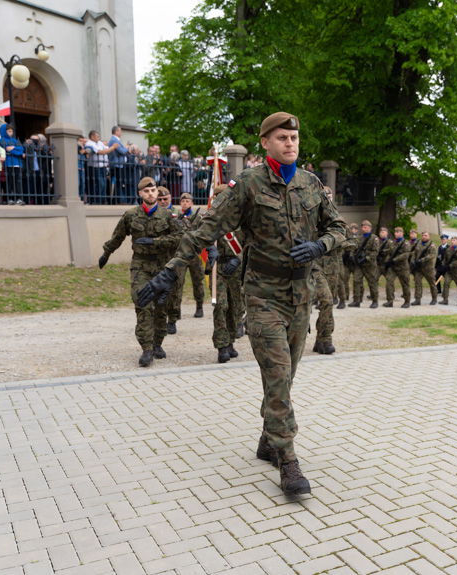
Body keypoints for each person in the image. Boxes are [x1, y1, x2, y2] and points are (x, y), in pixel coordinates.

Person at [135, 112, 346, 496]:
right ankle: (288, 459)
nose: (290, 144)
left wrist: (320, 244)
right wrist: (170, 271)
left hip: (300, 296)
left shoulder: (310, 184)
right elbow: (206, 228)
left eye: (294, 138)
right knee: (279, 375)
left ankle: (269, 438)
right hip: (263, 293)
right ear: (265, 142)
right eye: (282, 137)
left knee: (286, 375)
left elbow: (338, 228)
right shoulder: (248, 184)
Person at [99, 177, 182, 367]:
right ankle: (146, 348)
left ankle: (157, 343)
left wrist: (156, 242)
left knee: (161, 307)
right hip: (141, 265)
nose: (151, 194)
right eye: (147, 191)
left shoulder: (167, 215)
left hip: (162, 266)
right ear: (140, 194)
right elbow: (118, 236)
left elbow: (178, 237)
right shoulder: (131, 215)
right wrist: (106, 253)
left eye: (153, 190)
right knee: (142, 302)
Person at [209, 185, 246, 362]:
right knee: (220, 306)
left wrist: (238, 258)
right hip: (218, 268)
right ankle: (221, 345)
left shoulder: (240, 219)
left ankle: (230, 341)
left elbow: (252, 243)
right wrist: (210, 250)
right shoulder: (210, 219)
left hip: (236, 268)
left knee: (235, 307)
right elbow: (197, 237)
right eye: (216, 196)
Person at [169, 192, 207, 320]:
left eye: (187, 201)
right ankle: (176, 310)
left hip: (194, 255)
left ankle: (199, 305)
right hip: (180, 255)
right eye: (182, 201)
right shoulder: (176, 217)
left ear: (192, 203)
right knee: (177, 283)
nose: (185, 203)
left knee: (198, 281)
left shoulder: (198, 217)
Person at [350, 219, 380, 308]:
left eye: (366, 227)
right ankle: (357, 300)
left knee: (372, 282)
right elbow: (354, 248)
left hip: (369, 265)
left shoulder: (374, 238)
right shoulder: (359, 238)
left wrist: (366, 258)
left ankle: (375, 301)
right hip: (359, 264)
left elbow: (375, 252)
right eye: (363, 227)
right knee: (356, 281)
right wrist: (353, 255)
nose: (364, 228)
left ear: (370, 228)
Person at [383, 226, 412, 308]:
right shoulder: (393, 243)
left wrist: (395, 259)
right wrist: (387, 261)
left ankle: (407, 301)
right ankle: (390, 301)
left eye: (399, 232)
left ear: (402, 233)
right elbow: (390, 252)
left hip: (403, 267)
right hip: (393, 267)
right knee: (389, 282)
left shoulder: (406, 243)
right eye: (396, 232)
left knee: (405, 284)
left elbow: (406, 254)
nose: (397, 233)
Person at [410, 231, 437, 305]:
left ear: (429, 236)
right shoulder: (418, 243)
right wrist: (412, 260)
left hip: (428, 268)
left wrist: (421, 260)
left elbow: (431, 255)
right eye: (422, 235)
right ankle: (417, 299)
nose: (424, 237)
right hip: (419, 268)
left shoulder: (432, 245)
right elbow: (414, 252)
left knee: (432, 284)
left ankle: (434, 298)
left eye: (425, 235)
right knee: (417, 282)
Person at [0, 123, 25, 205]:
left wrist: (14, 148)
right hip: (8, 163)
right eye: (9, 131)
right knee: (9, 181)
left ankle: (18, 198)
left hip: (17, 163)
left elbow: (21, 150)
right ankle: (9, 198)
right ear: (4, 131)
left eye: (12, 131)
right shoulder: (2, 140)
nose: (11, 133)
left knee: (17, 181)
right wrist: (16, 151)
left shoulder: (15, 140)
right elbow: (6, 149)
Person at [84, 130, 110, 204]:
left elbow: (106, 149)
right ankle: (95, 201)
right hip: (94, 167)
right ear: (92, 136)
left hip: (103, 167)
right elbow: (101, 152)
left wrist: (106, 149)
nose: (99, 138)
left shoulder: (99, 143)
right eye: (97, 136)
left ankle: (102, 200)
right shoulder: (89, 143)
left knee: (104, 184)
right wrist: (113, 147)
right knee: (98, 184)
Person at [440, 236, 457, 306]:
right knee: (446, 284)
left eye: (454, 240)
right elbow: (445, 259)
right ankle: (445, 299)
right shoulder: (448, 249)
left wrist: (450, 265)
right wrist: (443, 265)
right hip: (449, 272)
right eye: (452, 240)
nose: (452, 242)